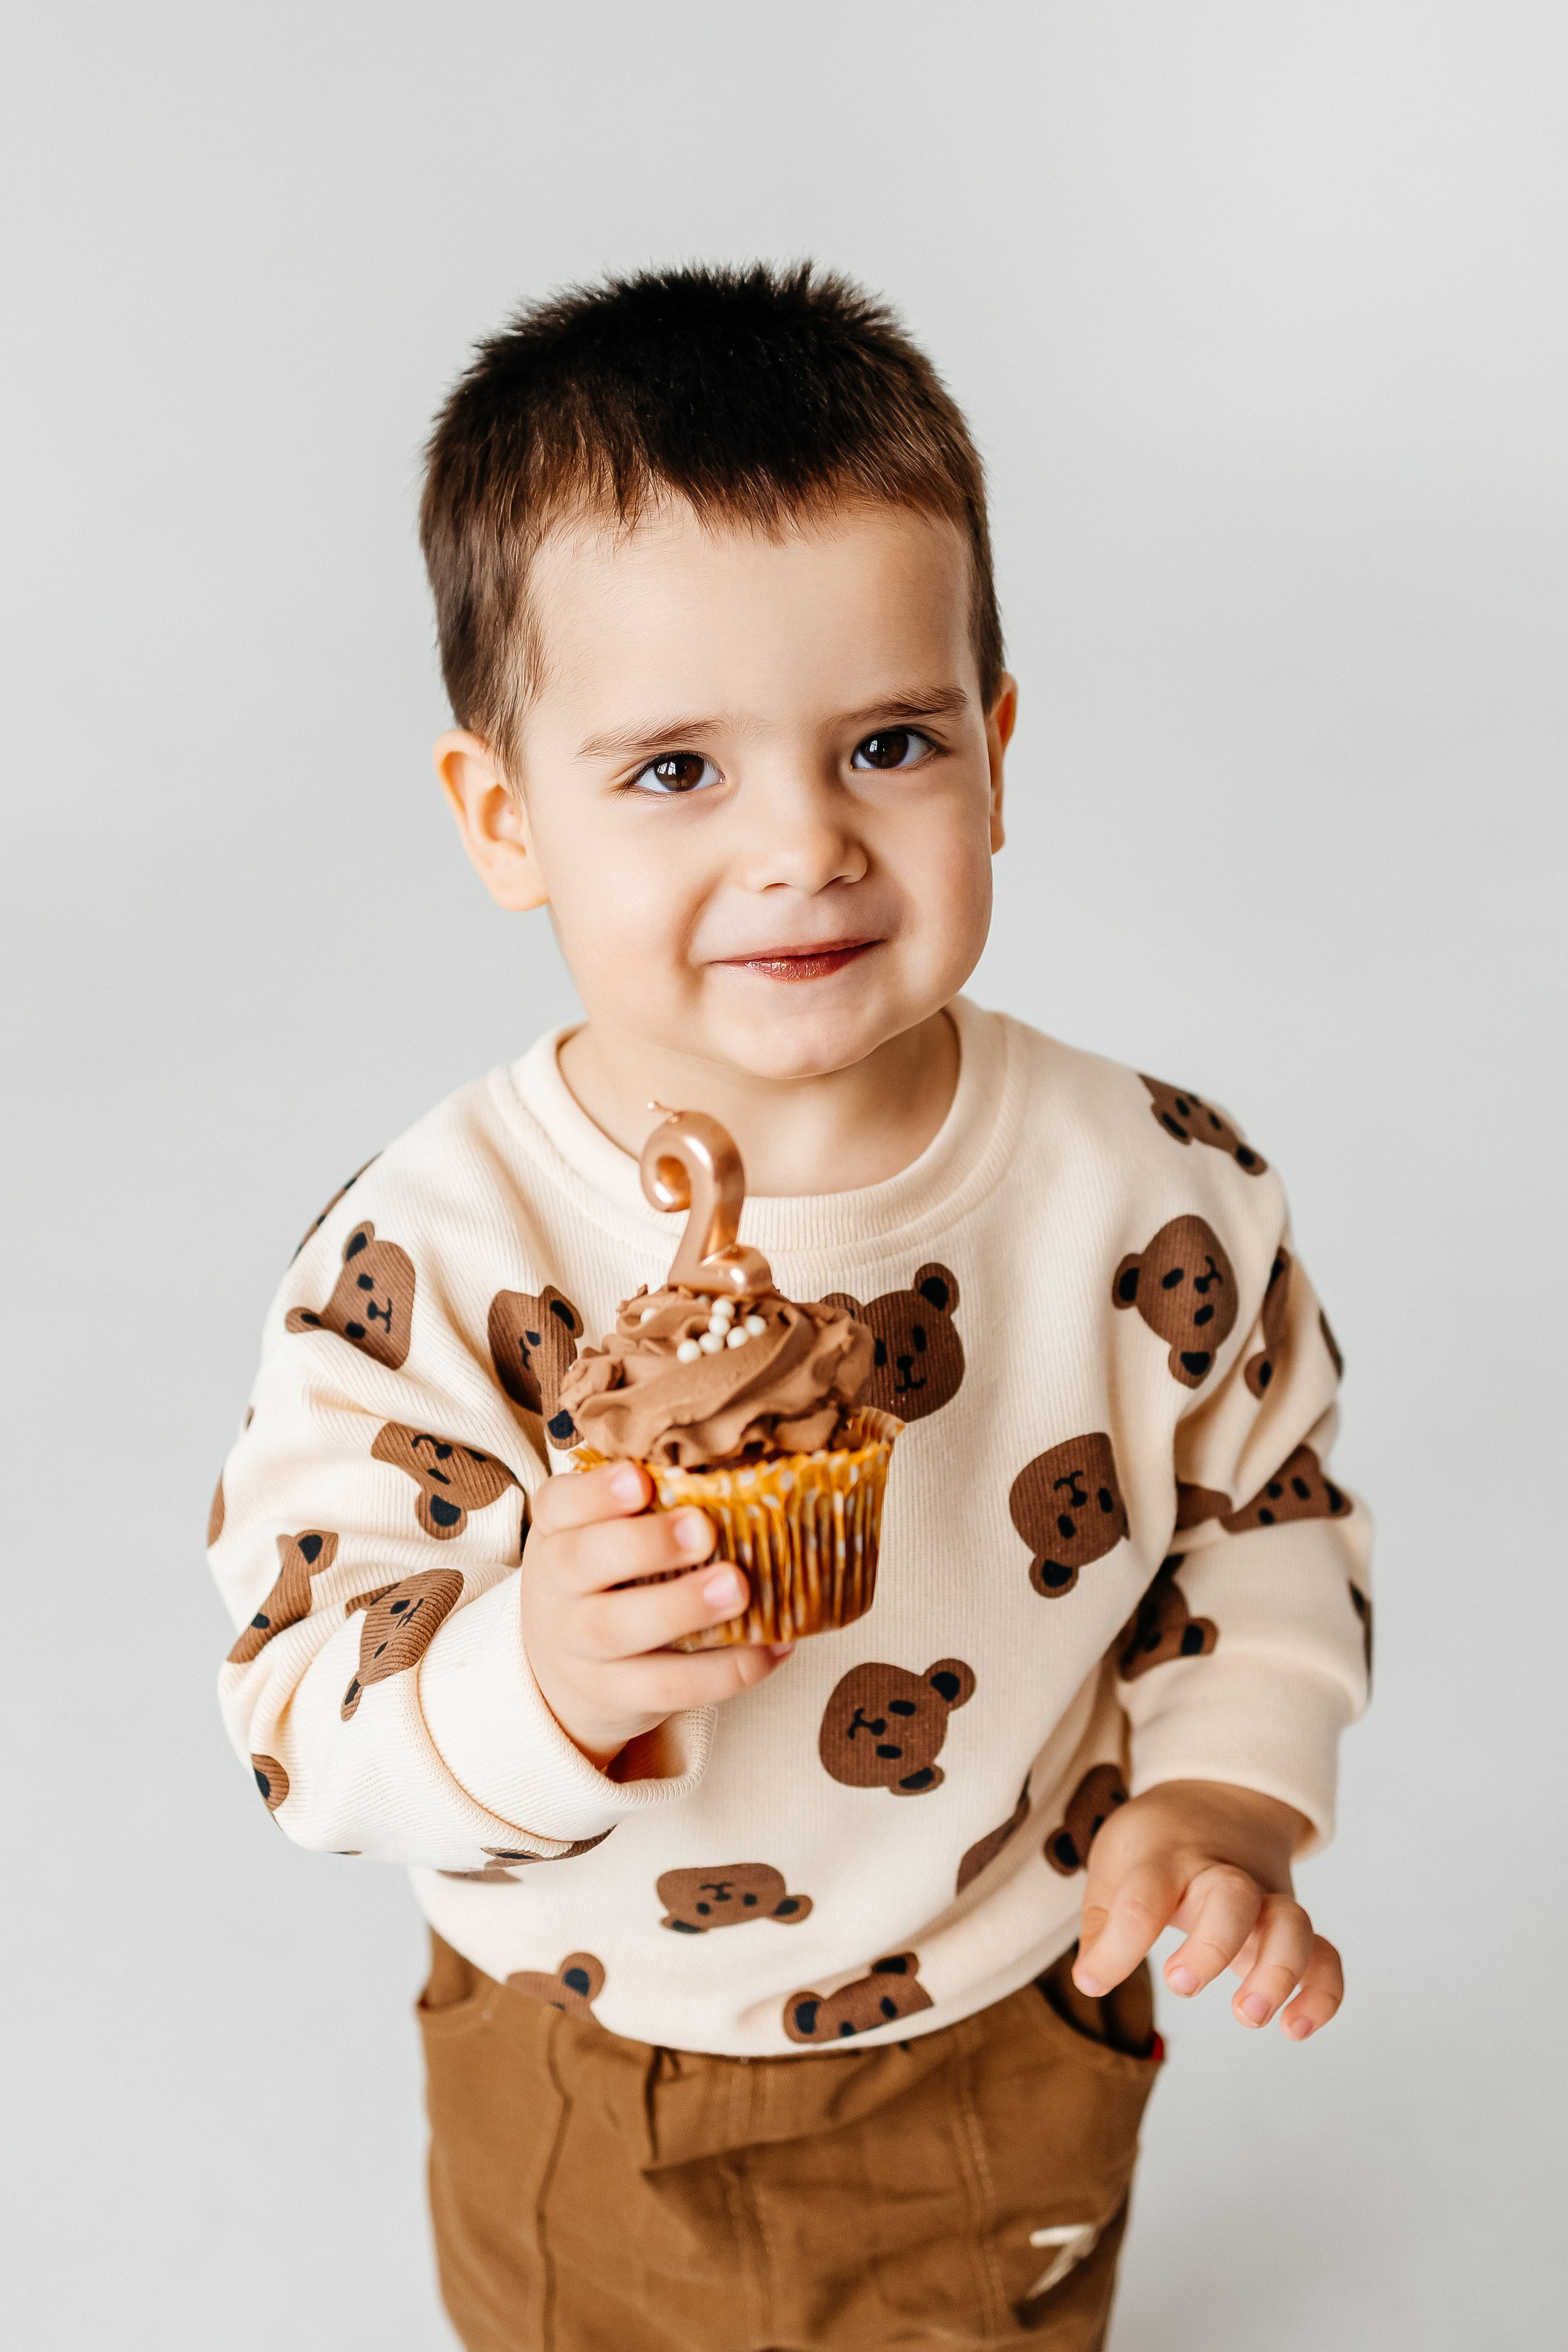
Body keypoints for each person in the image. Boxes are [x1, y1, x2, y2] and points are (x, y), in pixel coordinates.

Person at [208, 265, 1371, 2352]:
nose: (804, 847)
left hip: (1023, 1998)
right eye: (673, 772)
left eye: (888, 744)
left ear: (996, 758)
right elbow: (301, 1699)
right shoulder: (446, 1255)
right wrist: (536, 1681)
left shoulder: (1150, 1187)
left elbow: (1262, 1521)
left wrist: (1225, 1796)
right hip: (600, 2060)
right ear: (504, 817)